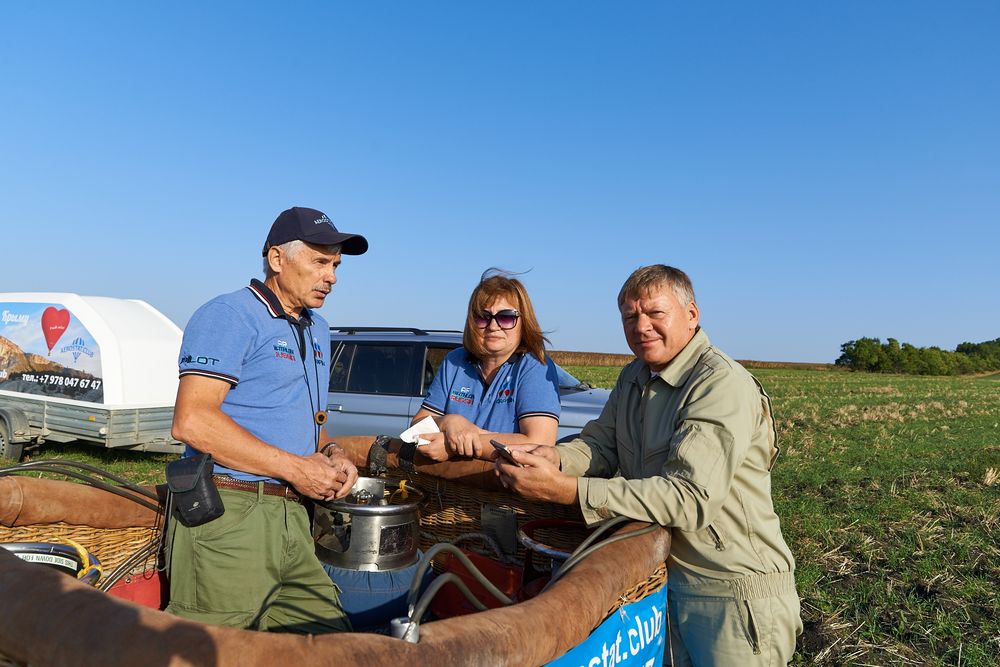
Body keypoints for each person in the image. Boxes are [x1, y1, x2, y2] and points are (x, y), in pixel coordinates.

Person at [497, 265, 802, 666]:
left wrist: (568, 490)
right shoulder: (634, 377)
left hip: (729, 592)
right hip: (664, 579)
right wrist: (554, 458)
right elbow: (599, 445)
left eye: (655, 313)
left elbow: (688, 497)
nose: (641, 326)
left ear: (691, 314)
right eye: (629, 316)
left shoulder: (718, 384)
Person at [164, 206, 368, 633]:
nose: (332, 276)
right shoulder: (230, 315)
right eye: (319, 261)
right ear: (277, 259)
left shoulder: (317, 328)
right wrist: (296, 468)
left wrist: (331, 453)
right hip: (232, 513)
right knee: (213, 650)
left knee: (330, 644)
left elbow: (304, 419)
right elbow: (192, 421)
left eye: (335, 265)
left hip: (294, 516)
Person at [411, 271, 561, 462]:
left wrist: (454, 446)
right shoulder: (454, 362)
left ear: (524, 322)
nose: (493, 326)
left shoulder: (535, 367)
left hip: (503, 485)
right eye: (483, 316)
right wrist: (450, 421)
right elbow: (416, 426)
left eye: (506, 317)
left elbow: (539, 444)